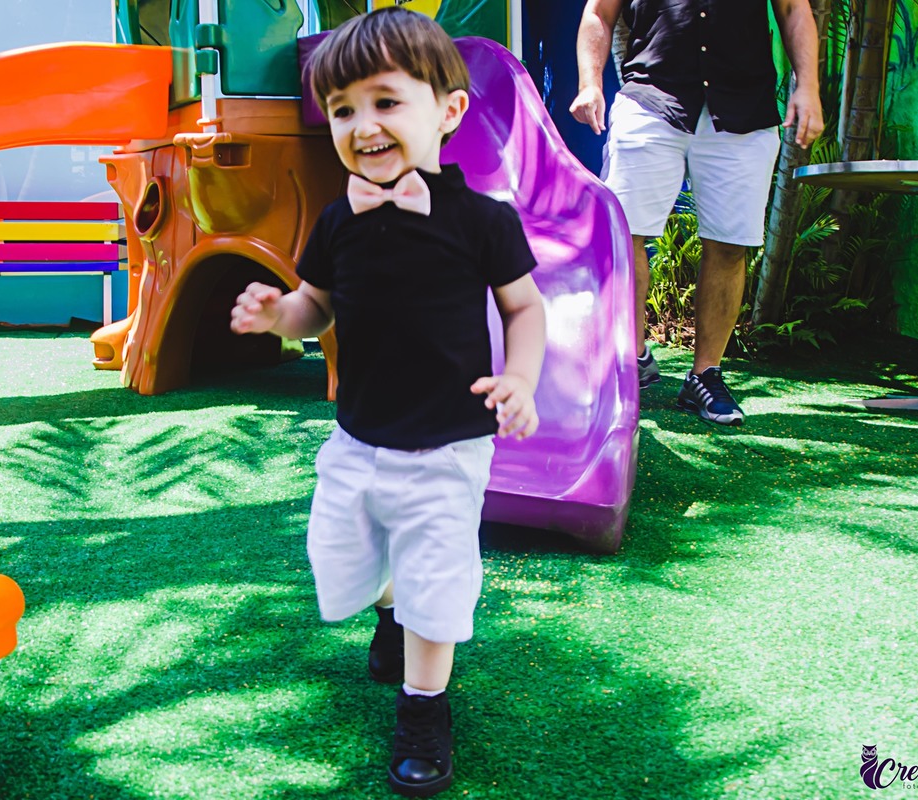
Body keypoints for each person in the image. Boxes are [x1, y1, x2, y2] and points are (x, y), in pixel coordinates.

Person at [231, 7, 546, 796]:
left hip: (449, 443)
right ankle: (389, 612)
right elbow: (317, 307)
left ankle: (424, 707)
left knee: (436, 572)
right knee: (345, 556)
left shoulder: (482, 221)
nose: (362, 125)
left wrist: (523, 378)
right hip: (359, 439)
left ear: (448, 110)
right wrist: (280, 318)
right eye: (342, 110)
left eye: (384, 101)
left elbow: (525, 309)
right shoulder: (339, 221)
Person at [570, 0, 823, 425]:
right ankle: (629, 360)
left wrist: (808, 86)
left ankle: (705, 375)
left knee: (729, 244)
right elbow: (598, 13)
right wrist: (590, 82)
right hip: (651, 98)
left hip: (745, 107)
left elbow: (794, 10)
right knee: (622, 234)